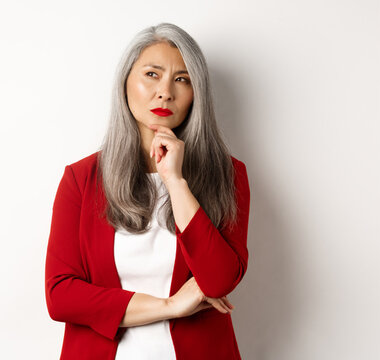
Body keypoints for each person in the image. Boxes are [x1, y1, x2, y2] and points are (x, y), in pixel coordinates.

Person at [44, 23, 250, 360]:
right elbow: (60, 295)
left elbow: (218, 282)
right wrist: (170, 306)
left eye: (182, 79)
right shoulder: (81, 178)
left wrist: (175, 182)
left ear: (196, 93)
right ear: (125, 82)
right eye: (152, 74)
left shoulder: (228, 175)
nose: (165, 91)